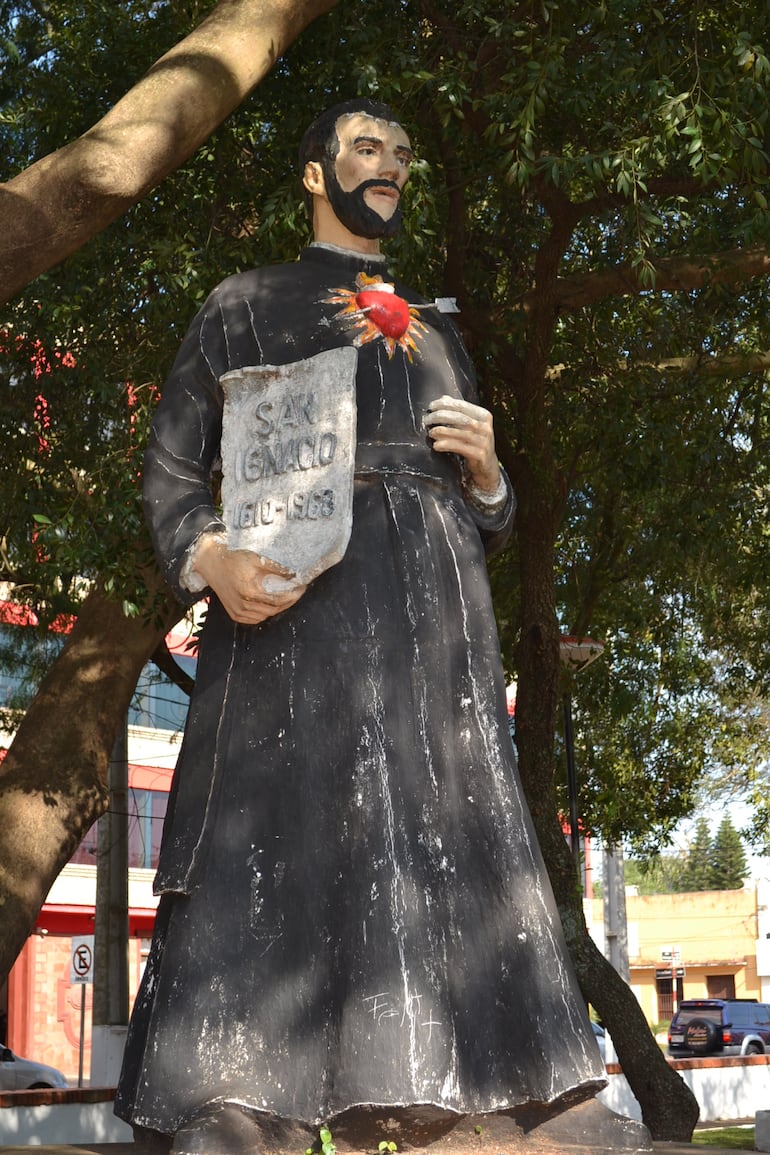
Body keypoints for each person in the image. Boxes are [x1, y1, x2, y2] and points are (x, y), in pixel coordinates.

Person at [115, 98, 643, 1155]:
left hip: (435, 626)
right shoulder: (241, 304)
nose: (391, 166)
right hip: (291, 613)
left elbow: (485, 514)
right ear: (315, 174)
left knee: (452, 829)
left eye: (402, 153)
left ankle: (493, 1088)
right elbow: (171, 469)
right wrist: (209, 556)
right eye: (367, 147)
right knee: (273, 827)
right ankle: (232, 1099)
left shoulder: (438, 331)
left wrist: (491, 478)